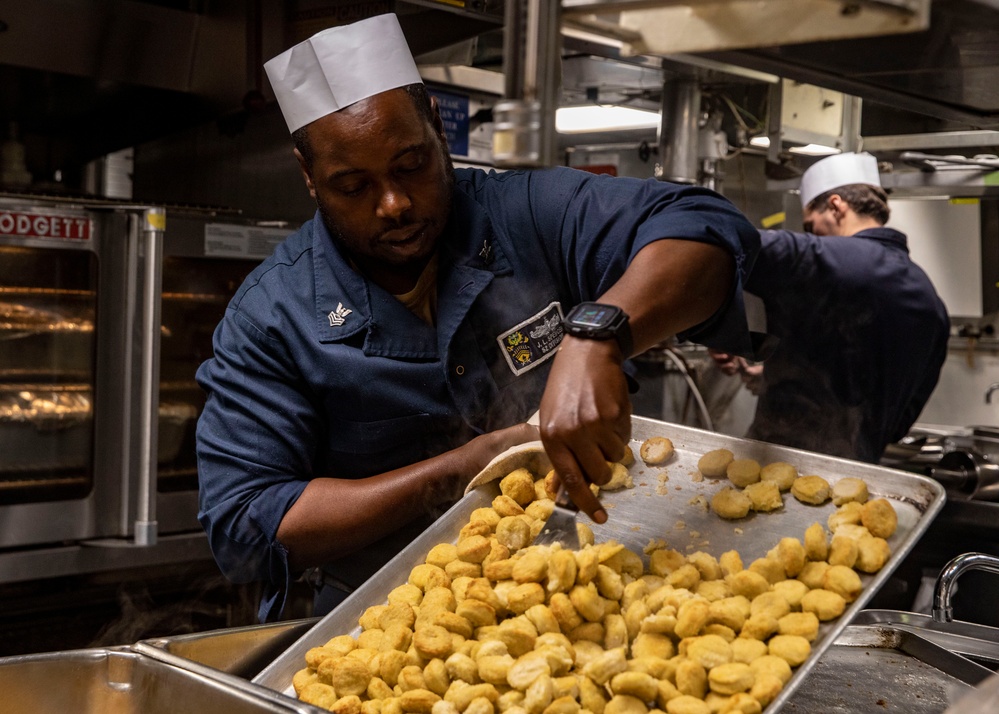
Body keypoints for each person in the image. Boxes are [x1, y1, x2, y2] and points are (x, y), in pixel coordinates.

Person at [195, 13, 762, 621]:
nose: (395, 204)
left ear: (438, 127)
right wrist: (470, 466)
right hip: (383, 631)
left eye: (411, 165)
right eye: (353, 186)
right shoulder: (272, 315)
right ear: (310, 178)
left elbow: (706, 228)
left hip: (586, 597)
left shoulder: (528, 215)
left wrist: (599, 334)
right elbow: (246, 525)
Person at [710, 151, 950, 464]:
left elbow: (712, 244)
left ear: (836, 206)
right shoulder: (931, 303)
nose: (811, 234)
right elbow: (896, 417)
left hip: (780, 475)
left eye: (811, 225)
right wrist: (778, 375)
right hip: (857, 484)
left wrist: (719, 329)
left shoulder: (817, 257)